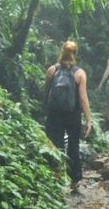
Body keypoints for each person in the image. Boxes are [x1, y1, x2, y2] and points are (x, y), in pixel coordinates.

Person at [41, 40, 92, 187]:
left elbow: (46, 93)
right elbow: (83, 98)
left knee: (55, 146)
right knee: (73, 146)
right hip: (73, 115)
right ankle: (74, 182)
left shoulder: (52, 70)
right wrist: (89, 120)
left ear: (61, 51)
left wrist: (47, 110)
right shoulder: (80, 73)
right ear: (75, 54)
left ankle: (54, 179)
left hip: (54, 115)